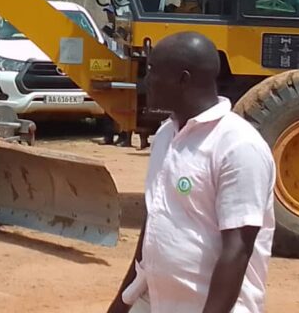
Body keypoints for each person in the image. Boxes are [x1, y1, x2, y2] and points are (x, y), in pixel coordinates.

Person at [108, 32, 275, 313]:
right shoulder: (166, 135)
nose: (146, 80)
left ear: (183, 79)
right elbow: (154, 226)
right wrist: (122, 304)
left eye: (153, 71)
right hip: (157, 302)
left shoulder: (238, 146)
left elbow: (237, 250)